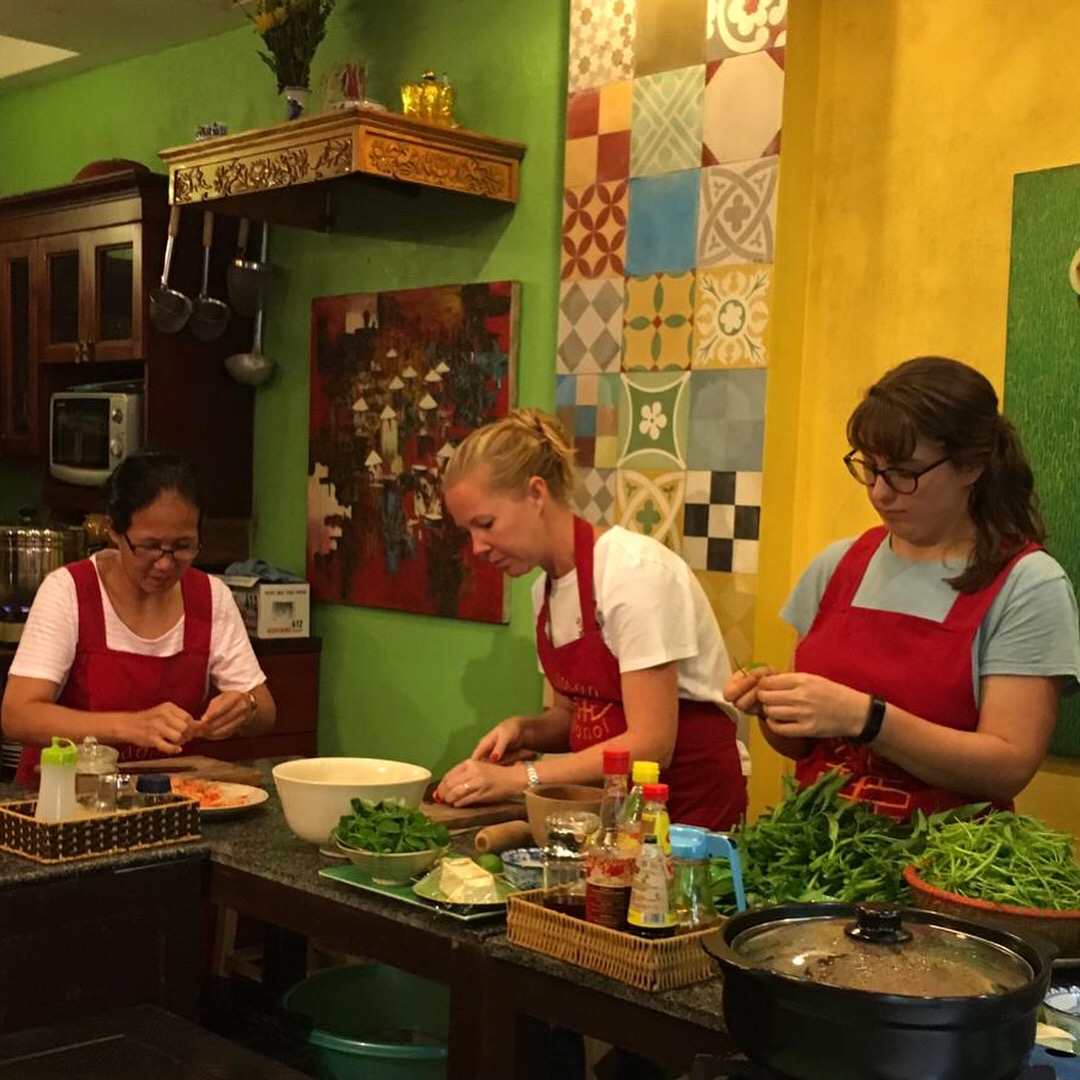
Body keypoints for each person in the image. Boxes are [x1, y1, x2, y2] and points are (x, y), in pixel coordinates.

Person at [725, 356, 1080, 818]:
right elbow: (805, 748)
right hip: (818, 849)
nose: (879, 492)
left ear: (971, 466)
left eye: (904, 473)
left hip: (946, 864)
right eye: (870, 468)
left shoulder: (1028, 584)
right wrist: (775, 708)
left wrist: (868, 718)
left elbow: (1007, 766)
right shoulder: (835, 566)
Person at [434, 408, 748, 831]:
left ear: (536, 494)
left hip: (688, 814)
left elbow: (652, 745)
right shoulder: (542, 590)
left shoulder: (632, 573)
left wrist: (518, 779)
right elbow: (577, 717)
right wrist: (525, 731)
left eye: (485, 524)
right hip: (614, 814)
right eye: (467, 531)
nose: (477, 547)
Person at [2, 451, 276, 785]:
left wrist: (244, 708)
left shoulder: (210, 597)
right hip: (65, 803)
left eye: (182, 546)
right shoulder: (70, 591)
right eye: (148, 546)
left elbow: (265, 710)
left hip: (164, 802)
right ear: (113, 530)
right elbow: (18, 715)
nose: (165, 563)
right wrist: (131, 726)